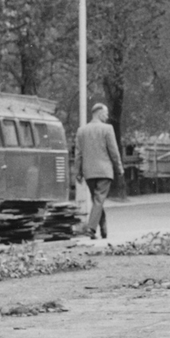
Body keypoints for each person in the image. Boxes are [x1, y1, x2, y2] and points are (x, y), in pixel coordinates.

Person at [74, 102, 124, 239]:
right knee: (99, 200)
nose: (107, 116)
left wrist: (77, 172)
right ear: (100, 113)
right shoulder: (107, 129)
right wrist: (119, 167)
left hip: (89, 173)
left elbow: (78, 154)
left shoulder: (81, 131)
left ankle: (103, 229)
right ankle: (91, 229)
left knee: (97, 200)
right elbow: (114, 151)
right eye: (106, 113)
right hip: (104, 171)